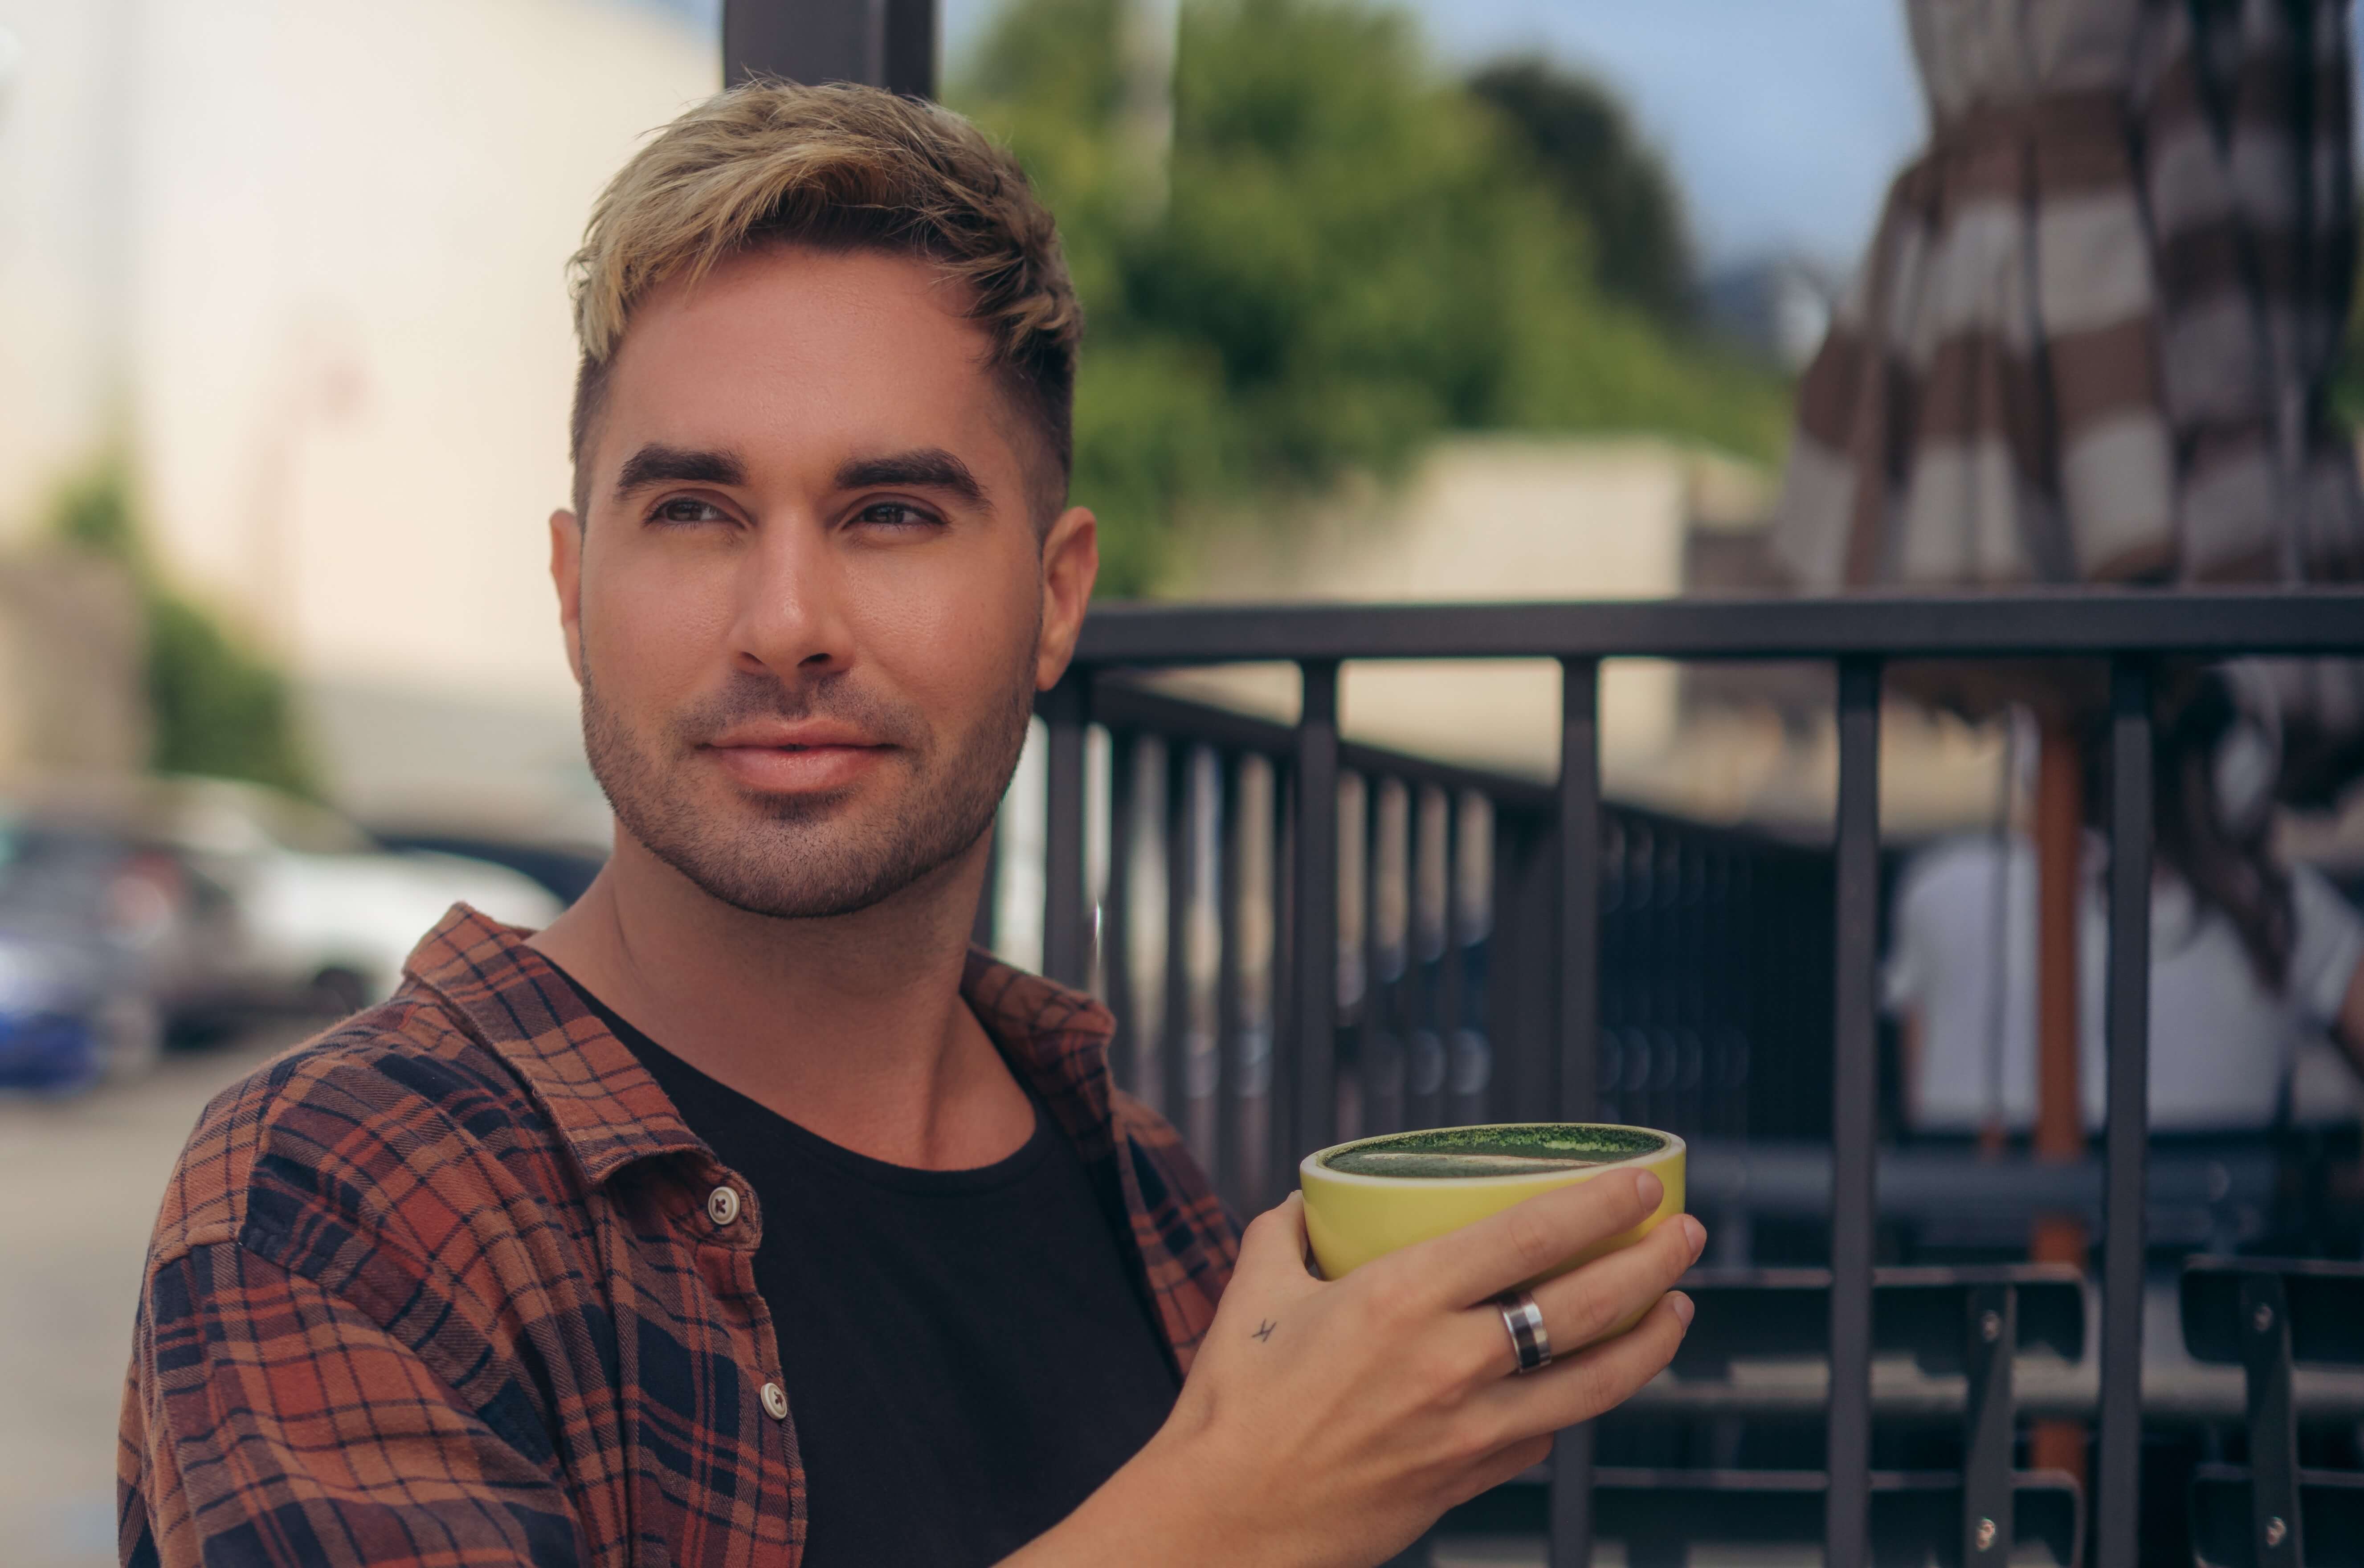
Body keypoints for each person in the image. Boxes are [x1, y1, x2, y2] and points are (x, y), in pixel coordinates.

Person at [116, 83, 1703, 1568]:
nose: (787, 622)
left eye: (889, 514)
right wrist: (1230, 1522)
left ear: (1054, 596)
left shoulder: (1134, 1179)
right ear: (569, 593)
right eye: (692, 513)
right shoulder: (342, 1192)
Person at [1886, 674, 2364, 1135]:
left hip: (1978, 1219)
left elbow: (1920, 1102)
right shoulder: (2280, 904)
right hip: (2217, 1217)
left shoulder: (1938, 889)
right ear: (2239, 770)